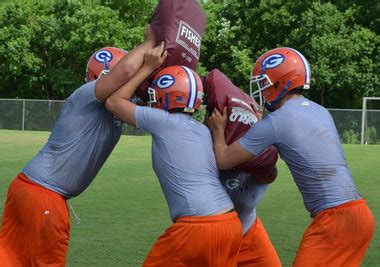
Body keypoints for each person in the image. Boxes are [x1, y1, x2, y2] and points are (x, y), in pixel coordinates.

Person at [0, 26, 156, 266]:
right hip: (45, 195)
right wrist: (152, 39)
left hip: (31, 188)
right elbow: (125, 71)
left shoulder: (114, 105)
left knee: (10, 258)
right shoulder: (86, 95)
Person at [207, 47, 375, 267]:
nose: (262, 89)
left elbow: (223, 159)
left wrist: (218, 129)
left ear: (279, 82)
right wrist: (261, 122)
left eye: (264, 83)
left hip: (335, 220)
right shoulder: (320, 111)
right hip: (360, 215)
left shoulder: (276, 122)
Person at [105, 43, 243, 267]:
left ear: (166, 93)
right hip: (229, 223)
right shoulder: (201, 129)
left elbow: (114, 101)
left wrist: (147, 67)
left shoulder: (164, 122)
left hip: (197, 227)